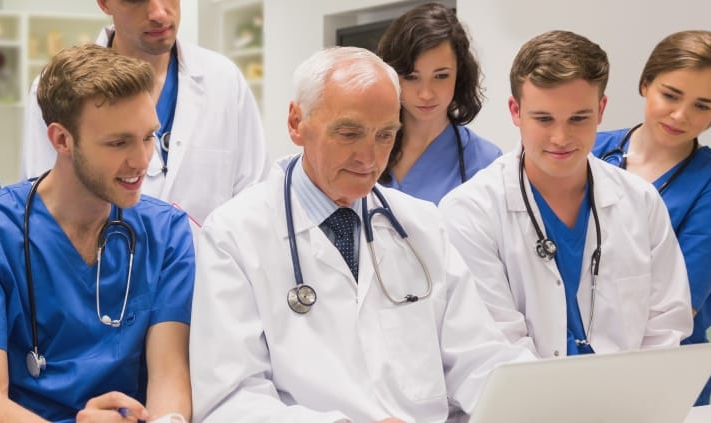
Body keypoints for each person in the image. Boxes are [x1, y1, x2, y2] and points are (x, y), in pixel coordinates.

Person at [189, 47, 534, 422]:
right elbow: (230, 399)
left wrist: (544, 395)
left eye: (385, 136)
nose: (369, 158)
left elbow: (478, 357)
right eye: (349, 133)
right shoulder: (234, 235)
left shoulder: (421, 225)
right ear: (296, 122)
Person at [0, 44, 193, 423]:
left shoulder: (166, 233)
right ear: (61, 140)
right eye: (118, 142)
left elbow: (170, 374)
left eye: (148, 137)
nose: (142, 161)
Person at [439, 31, 693, 360]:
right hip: (522, 405)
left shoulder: (641, 203)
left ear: (601, 110)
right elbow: (495, 343)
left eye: (578, 118)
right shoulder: (469, 211)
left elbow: (666, 325)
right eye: (543, 119)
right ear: (515, 111)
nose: (561, 137)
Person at [592, 30, 711, 405]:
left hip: (660, 371)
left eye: (703, 106)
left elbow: (677, 306)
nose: (680, 115)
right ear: (646, 83)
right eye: (671, 95)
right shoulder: (590, 149)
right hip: (570, 359)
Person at [20, 0, 267, 223]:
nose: (159, 13)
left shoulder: (223, 80)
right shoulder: (59, 88)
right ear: (104, 3)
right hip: (102, 270)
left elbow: (252, 198)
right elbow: (46, 205)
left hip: (210, 270)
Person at [374, 2, 501, 203]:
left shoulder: (485, 162)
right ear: (391, 75)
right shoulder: (367, 149)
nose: (426, 94)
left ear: (460, 75)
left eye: (441, 76)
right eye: (412, 77)